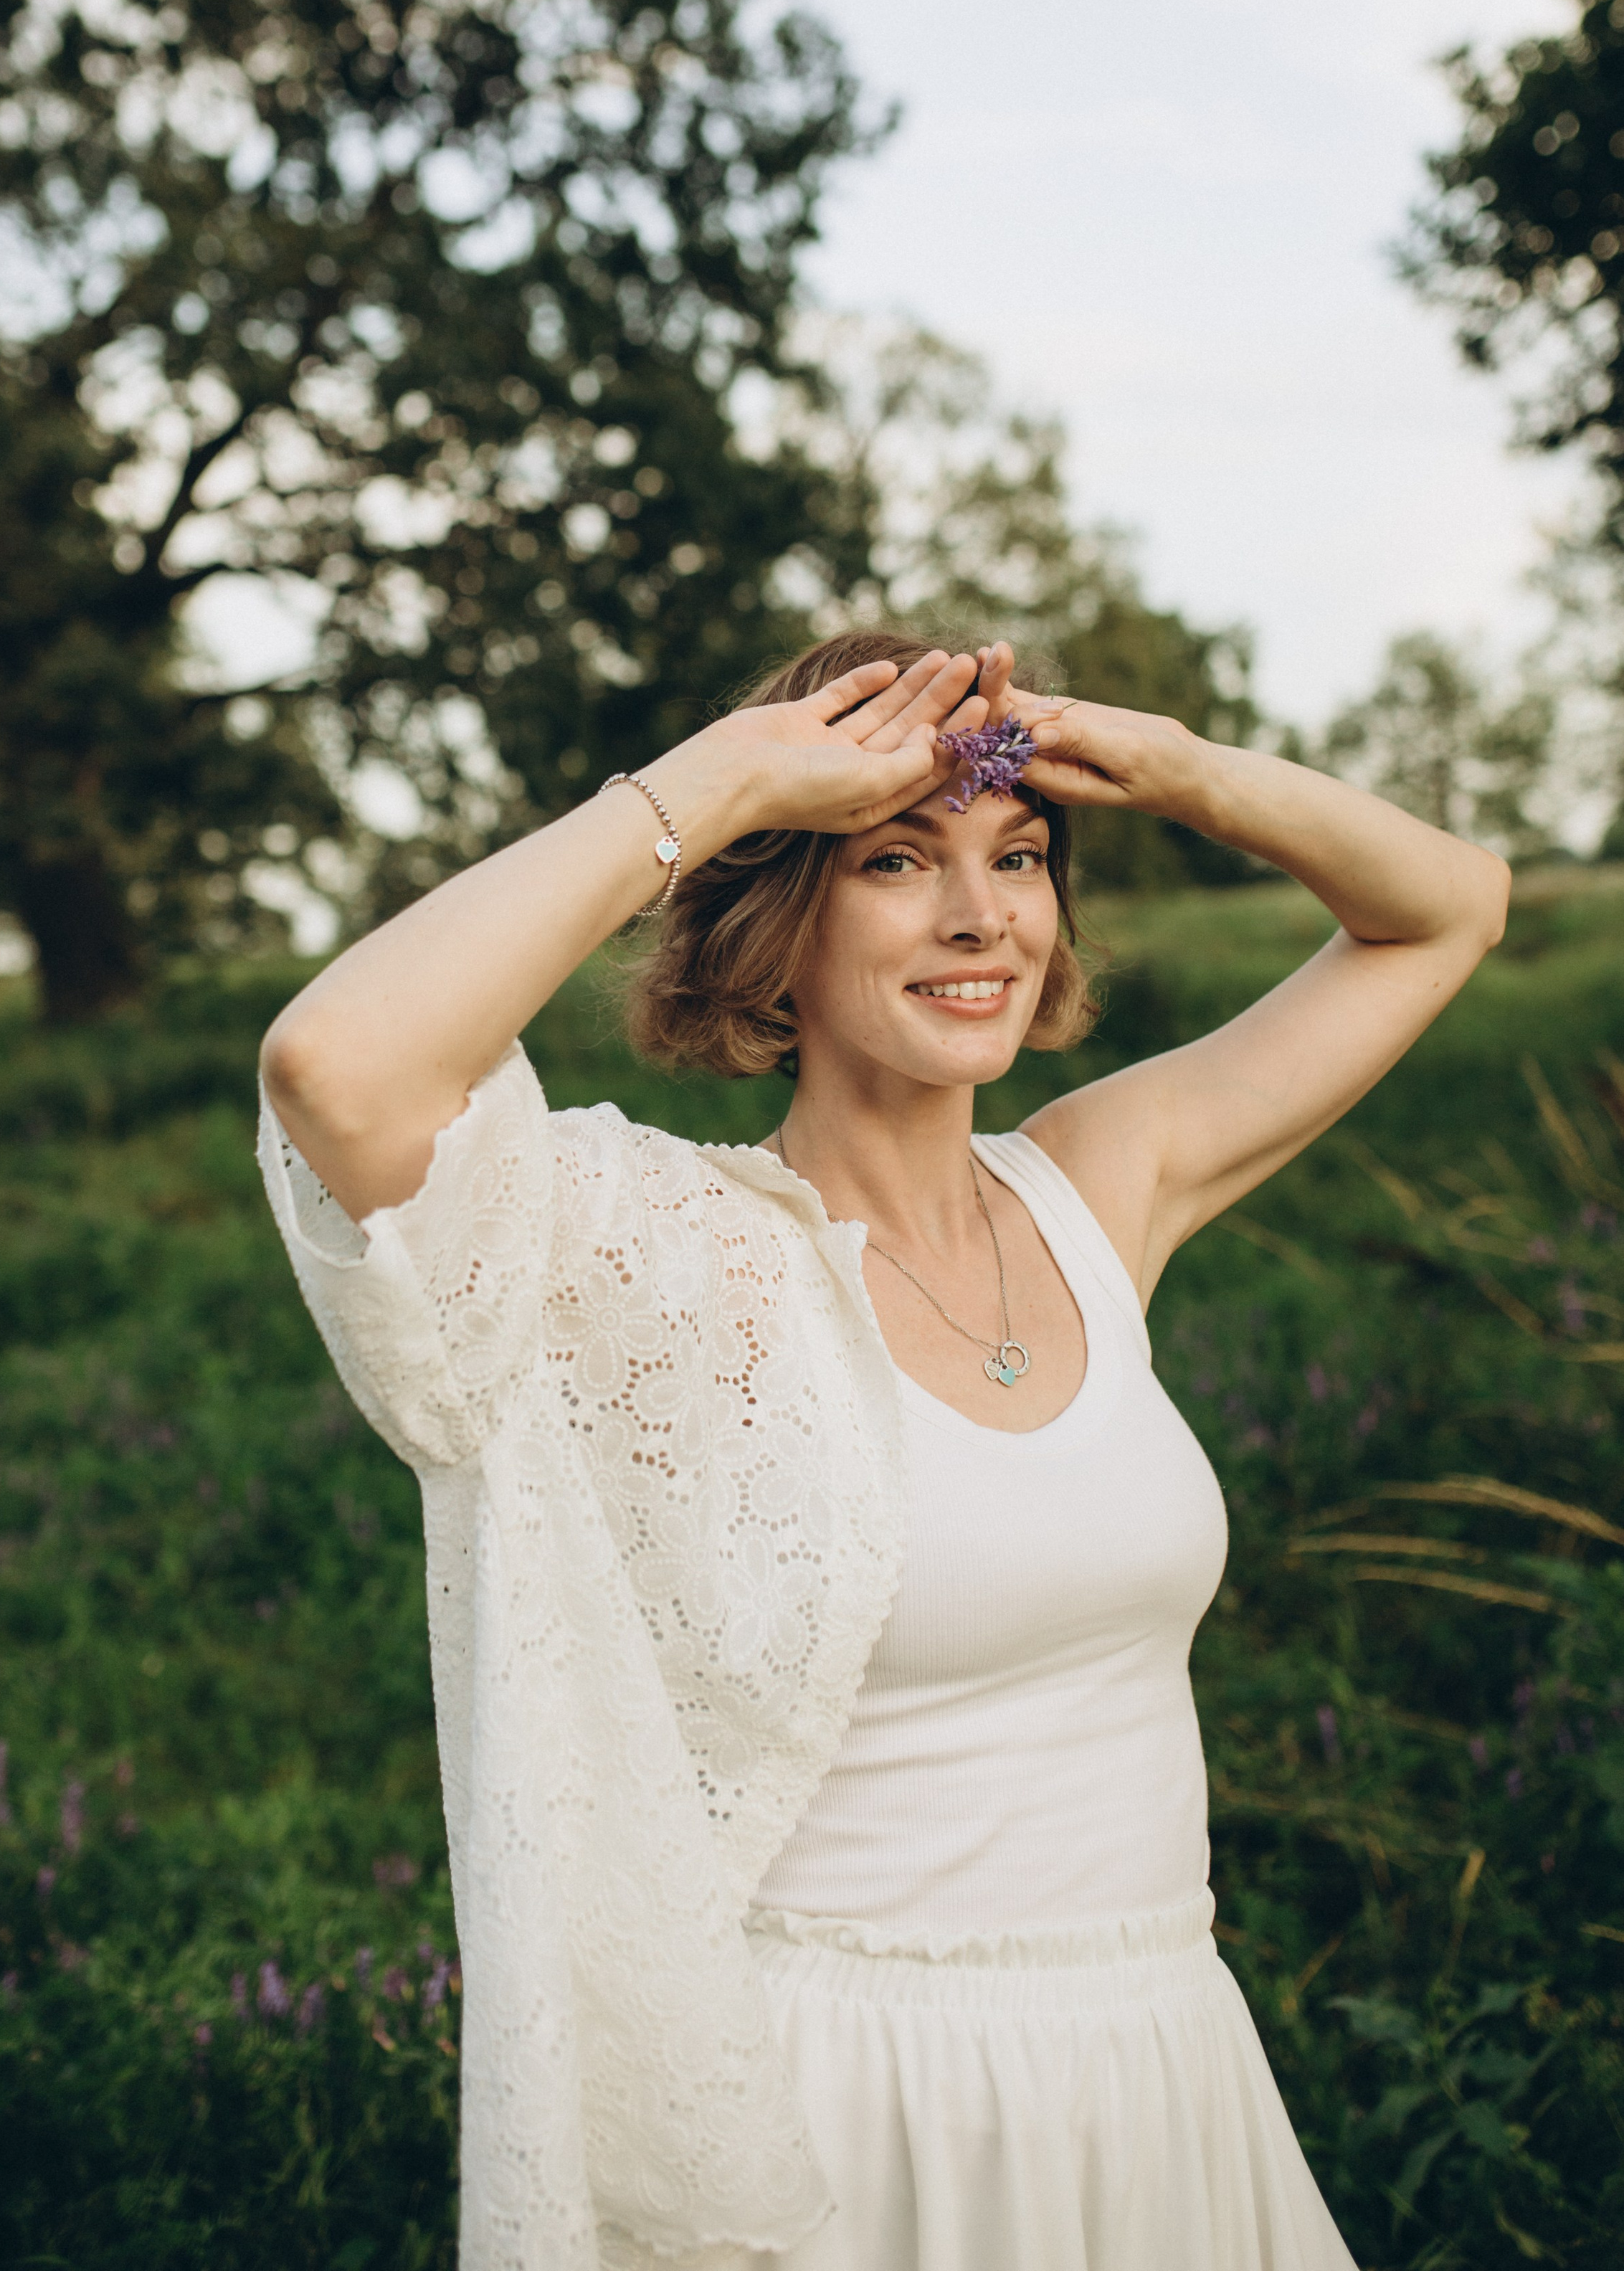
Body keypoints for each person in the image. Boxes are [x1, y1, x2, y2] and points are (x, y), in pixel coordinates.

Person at [258, 630, 1509, 2271]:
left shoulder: (1095, 1189)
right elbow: (337, 1070)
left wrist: (1176, 770)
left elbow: (1445, 907)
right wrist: (721, 779)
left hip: (1158, 2066)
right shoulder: (652, 1249)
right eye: (896, 862)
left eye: (1019, 858)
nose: (980, 917)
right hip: (845, 2105)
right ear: (773, 929)